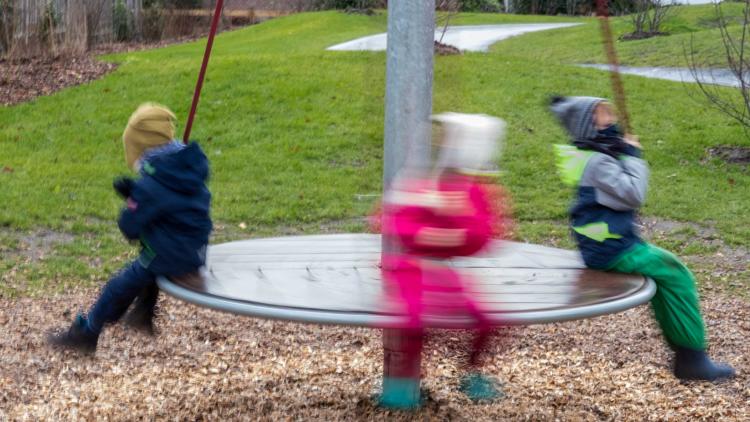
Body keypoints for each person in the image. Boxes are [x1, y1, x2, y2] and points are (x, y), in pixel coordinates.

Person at [550, 96, 735, 381]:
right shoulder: (597, 161)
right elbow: (634, 193)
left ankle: (688, 355)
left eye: (610, 112)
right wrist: (632, 156)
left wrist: (622, 152)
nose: (611, 119)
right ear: (588, 126)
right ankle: (692, 358)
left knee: (668, 276)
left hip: (608, 242)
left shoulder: (595, 154)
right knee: (676, 273)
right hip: (611, 247)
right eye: (603, 115)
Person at [48, 103, 212, 354]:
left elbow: (130, 228)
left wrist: (134, 201)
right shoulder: (182, 170)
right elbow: (171, 204)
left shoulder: (153, 185)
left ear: (140, 149)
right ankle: (142, 314)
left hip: (172, 254)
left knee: (120, 285)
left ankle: (87, 332)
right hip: (194, 250)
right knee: (149, 264)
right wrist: (138, 195)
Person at [379, 113, 509, 408]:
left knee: (487, 320)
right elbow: (397, 224)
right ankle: (403, 381)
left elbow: (484, 235)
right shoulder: (419, 182)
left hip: (444, 272)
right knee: (413, 320)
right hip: (410, 270)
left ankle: (472, 371)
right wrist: (438, 230)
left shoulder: (470, 190)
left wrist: (455, 223)